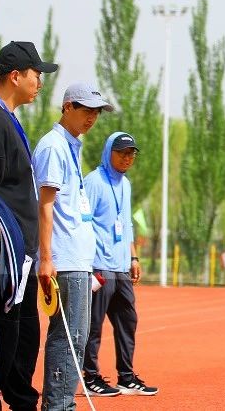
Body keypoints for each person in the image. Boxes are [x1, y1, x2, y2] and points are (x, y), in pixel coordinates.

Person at [0, 40, 58, 411]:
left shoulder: (8, 118)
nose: (41, 83)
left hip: (20, 259)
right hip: (0, 263)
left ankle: (20, 402)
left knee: (22, 343)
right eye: (37, 74)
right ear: (15, 76)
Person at [35, 82, 114, 409]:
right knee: (69, 340)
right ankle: (59, 406)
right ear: (67, 107)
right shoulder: (53, 147)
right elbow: (45, 205)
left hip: (77, 259)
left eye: (96, 112)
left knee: (75, 340)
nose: (91, 117)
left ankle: (62, 404)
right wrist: (46, 258)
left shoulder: (70, 146)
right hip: (64, 260)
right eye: (85, 110)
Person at [82, 132, 159, 396]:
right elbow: (82, 221)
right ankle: (91, 377)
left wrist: (133, 257)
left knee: (128, 320)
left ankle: (126, 377)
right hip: (98, 266)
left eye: (131, 154)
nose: (127, 158)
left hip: (121, 266)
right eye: (122, 153)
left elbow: (126, 225)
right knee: (93, 324)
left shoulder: (125, 184)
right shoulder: (93, 182)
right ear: (108, 153)